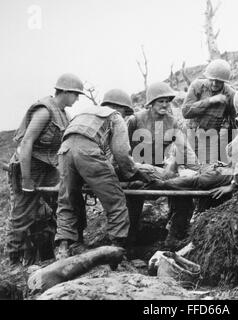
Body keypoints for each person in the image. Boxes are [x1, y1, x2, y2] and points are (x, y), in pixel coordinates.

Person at [54, 102, 150, 259]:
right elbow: (121, 153)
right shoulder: (115, 116)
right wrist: (132, 173)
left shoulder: (83, 113)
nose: (125, 116)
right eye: (125, 113)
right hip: (88, 152)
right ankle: (117, 249)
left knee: (67, 201)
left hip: (64, 151)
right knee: (115, 200)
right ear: (120, 108)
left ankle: (63, 248)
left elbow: (69, 140)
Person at [6, 73, 84, 265]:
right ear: (64, 91)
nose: (77, 98)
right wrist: (26, 179)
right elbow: (26, 143)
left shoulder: (65, 114)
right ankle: (13, 261)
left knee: (64, 202)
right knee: (22, 214)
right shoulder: (45, 111)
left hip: (49, 168)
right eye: (75, 94)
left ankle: (66, 245)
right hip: (29, 166)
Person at [126, 82, 198, 250]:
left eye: (167, 101)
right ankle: (129, 242)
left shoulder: (173, 122)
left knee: (183, 189)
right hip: (135, 170)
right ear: (151, 103)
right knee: (132, 199)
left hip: (158, 171)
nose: (165, 105)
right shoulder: (135, 120)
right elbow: (122, 149)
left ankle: (174, 236)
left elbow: (185, 149)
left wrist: (197, 170)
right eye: (161, 101)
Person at [182, 59, 237, 164]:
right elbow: (185, 112)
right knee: (185, 165)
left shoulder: (230, 94)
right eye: (212, 79)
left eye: (219, 81)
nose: (215, 83)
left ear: (224, 81)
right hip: (191, 133)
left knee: (207, 167)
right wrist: (209, 101)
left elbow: (235, 121)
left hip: (210, 138)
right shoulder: (197, 86)